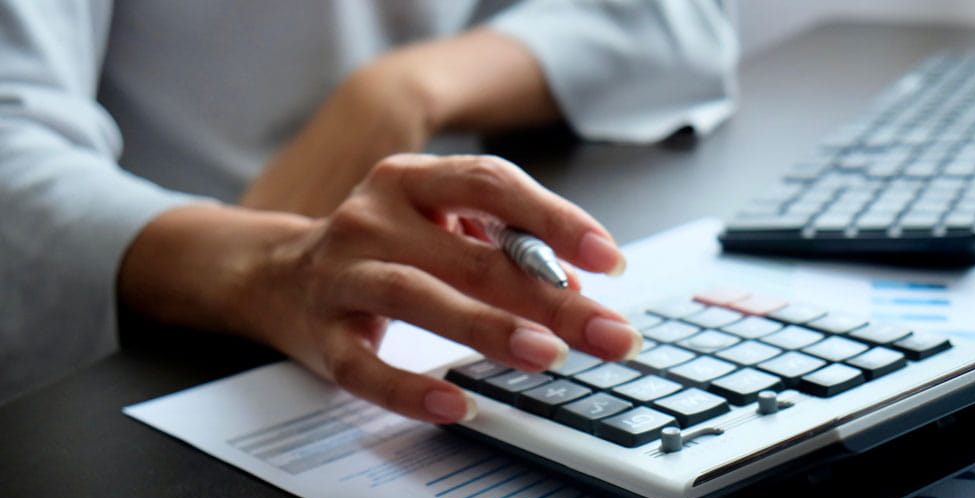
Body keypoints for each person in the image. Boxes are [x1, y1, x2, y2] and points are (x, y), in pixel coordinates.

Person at [0, 1, 738, 418]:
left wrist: (402, 91)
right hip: (162, 328)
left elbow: (677, 17)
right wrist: (268, 263)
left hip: (410, 295)